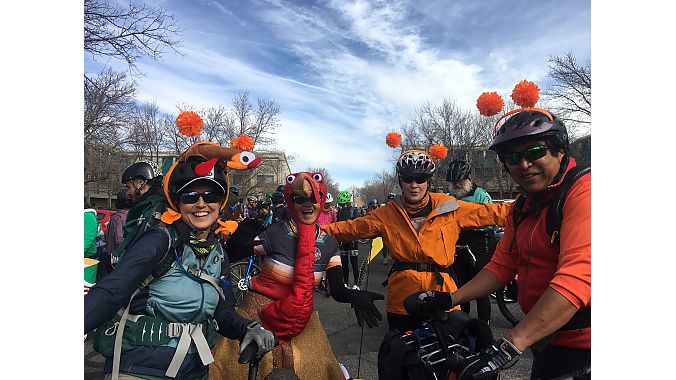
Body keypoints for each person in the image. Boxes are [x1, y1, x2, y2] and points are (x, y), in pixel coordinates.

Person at [84, 141, 275, 380]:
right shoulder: (160, 239)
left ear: (221, 201)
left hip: (194, 368)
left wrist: (248, 328)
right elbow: (114, 290)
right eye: (190, 195)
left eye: (211, 195)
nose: (201, 203)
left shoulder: (218, 254)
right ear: (178, 201)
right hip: (142, 365)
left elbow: (223, 313)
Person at [450, 108, 591, 379]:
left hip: (585, 349)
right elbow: (502, 266)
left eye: (536, 152)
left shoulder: (584, 192)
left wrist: (511, 343)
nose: (523, 164)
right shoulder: (522, 206)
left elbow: (576, 279)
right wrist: (450, 298)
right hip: (547, 339)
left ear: (560, 151)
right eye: (513, 157)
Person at [210, 172, 383, 379]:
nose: (307, 205)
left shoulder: (328, 244)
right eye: (299, 199)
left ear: (320, 200)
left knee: (314, 369)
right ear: (291, 202)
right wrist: (236, 243)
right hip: (257, 314)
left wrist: (354, 296)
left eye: (312, 198)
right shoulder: (276, 233)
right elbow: (231, 256)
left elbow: (337, 290)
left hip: (300, 322)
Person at [322, 149, 510, 333]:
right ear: (400, 180)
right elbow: (345, 229)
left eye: (420, 179)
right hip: (402, 299)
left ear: (428, 181)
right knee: (402, 357)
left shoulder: (450, 206)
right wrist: (303, 232)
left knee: (448, 357)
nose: (414, 184)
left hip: (442, 294)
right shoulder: (386, 214)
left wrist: (534, 203)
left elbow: (493, 212)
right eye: (408, 178)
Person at [446, 159, 496, 325]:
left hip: (479, 244)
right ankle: (463, 323)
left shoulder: (481, 195)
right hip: (457, 245)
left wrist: (469, 224)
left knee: (480, 288)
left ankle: (484, 324)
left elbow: (491, 222)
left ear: (468, 178)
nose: (457, 184)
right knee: (461, 287)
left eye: (460, 181)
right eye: (454, 182)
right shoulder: (449, 198)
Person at [98, 188, 133, 281]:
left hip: (109, 255)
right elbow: (119, 239)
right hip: (115, 259)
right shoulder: (121, 218)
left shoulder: (116, 216)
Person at [335, 190, 361, 289]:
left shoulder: (354, 211)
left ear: (348, 202)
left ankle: (356, 283)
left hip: (353, 241)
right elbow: (337, 225)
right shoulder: (340, 211)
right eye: (341, 205)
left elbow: (356, 226)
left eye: (344, 204)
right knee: (344, 263)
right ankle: (345, 282)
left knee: (354, 263)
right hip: (343, 241)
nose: (342, 206)